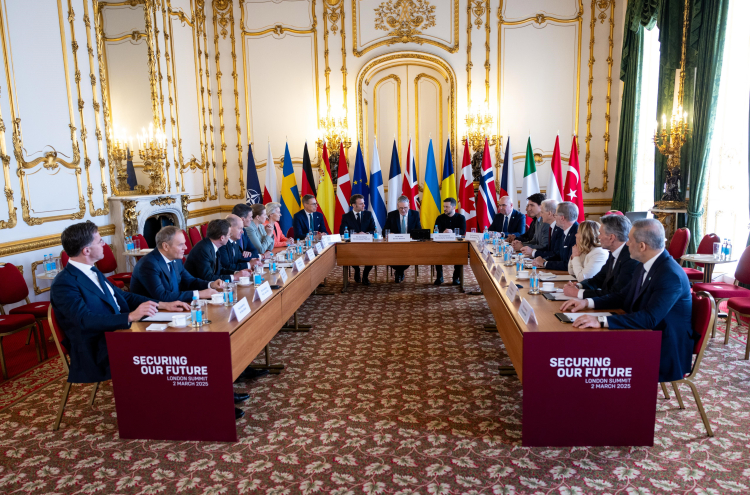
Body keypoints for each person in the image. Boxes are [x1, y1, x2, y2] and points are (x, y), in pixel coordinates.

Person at [50, 221, 189, 385]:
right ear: (86, 250)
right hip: (96, 348)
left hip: (117, 333)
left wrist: (162, 305)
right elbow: (84, 320)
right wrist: (130, 316)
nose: (104, 244)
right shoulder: (64, 283)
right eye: (100, 241)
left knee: (174, 334)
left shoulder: (92, 270)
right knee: (163, 346)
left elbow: (124, 297)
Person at [560, 219, 697, 383]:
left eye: (630, 240)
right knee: (585, 347)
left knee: (594, 354)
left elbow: (649, 318)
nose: (626, 244)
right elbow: (622, 296)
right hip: (644, 334)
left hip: (664, 346)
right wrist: (587, 302)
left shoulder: (670, 274)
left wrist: (600, 320)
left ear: (642, 246)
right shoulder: (645, 264)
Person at [130, 226, 224, 303]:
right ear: (165, 246)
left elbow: (190, 281)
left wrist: (211, 284)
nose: (185, 247)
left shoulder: (176, 260)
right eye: (180, 245)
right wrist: (199, 294)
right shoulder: (148, 264)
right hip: (150, 314)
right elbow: (162, 296)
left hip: (172, 307)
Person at [562, 213, 639, 299]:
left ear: (611, 237)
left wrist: (578, 293)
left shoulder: (630, 258)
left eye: (600, 233)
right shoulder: (614, 253)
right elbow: (598, 279)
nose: (598, 237)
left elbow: (616, 293)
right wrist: (579, 286)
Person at [383, 195, 422, 283]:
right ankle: (400, 272)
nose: (403, 210)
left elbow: (419, 231)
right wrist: (389, 233)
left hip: (409, 245)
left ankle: (399, 272)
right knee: (392, 256)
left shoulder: (415, 214)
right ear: (397, 206)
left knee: (406, 256)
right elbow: (384, 231)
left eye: (405, 208)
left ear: (409, 206)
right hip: (395, 245)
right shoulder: (392, 215)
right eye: (401, 208)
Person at [339, 194, 376, 285]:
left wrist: (366, 234)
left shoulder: (368, 214)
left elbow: (374, 230)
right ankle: (357, 269)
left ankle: (365, 276)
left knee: (373, 255)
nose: (364, 205)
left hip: (367, 245)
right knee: (350, 255)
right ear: (354, 205)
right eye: (361, 204)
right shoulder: (346, 216)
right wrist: (355, 235)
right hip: (352, 246)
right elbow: (342, 232)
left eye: (364, 203)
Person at [531, 201, 579, 271]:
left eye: (555, 215)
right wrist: (544, 260)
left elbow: (568, 264)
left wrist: (545, 263)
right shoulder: (566, 231)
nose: (554, 218)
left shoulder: (577, 234)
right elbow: (558, 255)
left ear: (562, 218)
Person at [433, 197, 466, 286]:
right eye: (444, 206)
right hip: (441, 245)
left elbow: (463, 231)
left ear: (454, 207)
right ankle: (439, 277)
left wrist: (452, 232)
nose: (444, 209)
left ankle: (456, 277)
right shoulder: (440, 218)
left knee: (461, 253)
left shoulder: (461, 217)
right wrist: (443, 232)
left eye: (447, 207)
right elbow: (435, 231)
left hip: (456, 245)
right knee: (435, 252)